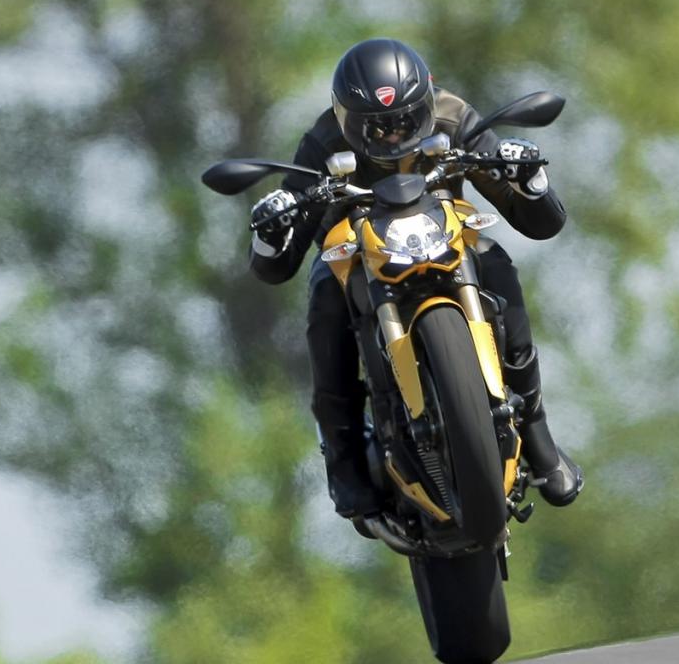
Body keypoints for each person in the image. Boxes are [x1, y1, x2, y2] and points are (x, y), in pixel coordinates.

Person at [247, 38, 583, 520]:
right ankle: (343, 460)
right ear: (345, 118)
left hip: (445, 235)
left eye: (405, 121)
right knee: (324, 296)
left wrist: (529, 180)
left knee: (496, 262)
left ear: (426, 101)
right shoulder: (323, 140)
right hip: (355, 252)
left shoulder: (454, 115)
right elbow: (277, 265)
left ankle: (536, 432)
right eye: (375, 127)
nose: (391, 135)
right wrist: (270, 231)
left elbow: (539, 222)